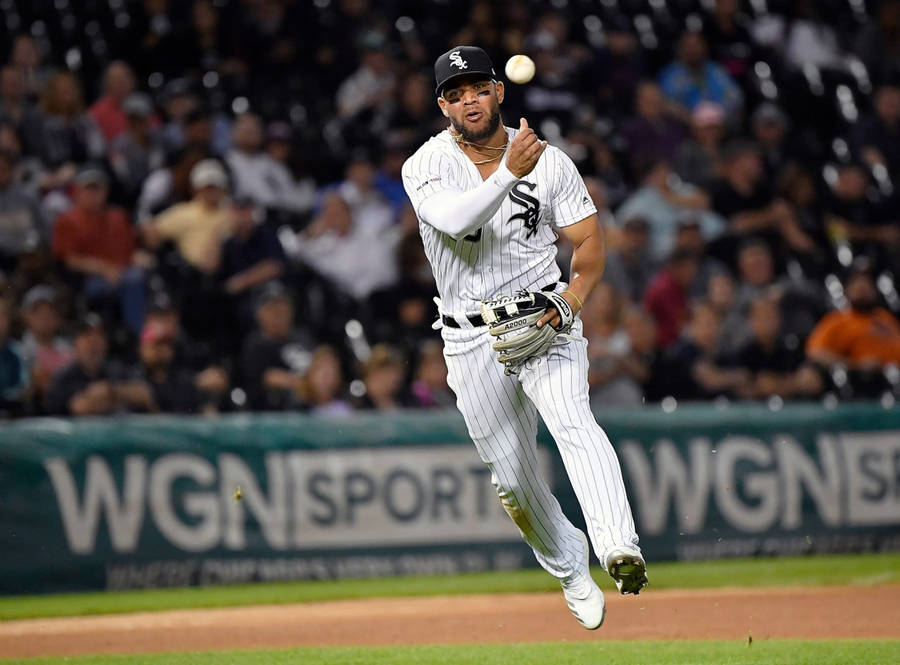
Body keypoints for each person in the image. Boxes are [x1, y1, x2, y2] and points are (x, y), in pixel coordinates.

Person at [400, 46, 646, 631]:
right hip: (469, 339)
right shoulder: (425, 165)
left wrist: (572, 300)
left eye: (478, 89)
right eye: (456, 94)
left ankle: (619, 545)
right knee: (512, 480)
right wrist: (511, 170)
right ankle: (569, 565)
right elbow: (456, 220)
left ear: (499, 92)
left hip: (543, 318)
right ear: (442, 106)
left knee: (573, 421)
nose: (469, 101)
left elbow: (589, 242)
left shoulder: (551, 162)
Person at [51, 166, 146, 333]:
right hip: (91, 279)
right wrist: (104, 269)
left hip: (123, 271)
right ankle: (137, 334)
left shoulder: (118, 216)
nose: (93, 194)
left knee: (148, 275)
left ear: (105, 191)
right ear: (77, 192)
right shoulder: (67, 220)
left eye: (97, 189)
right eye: (88, 189)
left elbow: (131, 250)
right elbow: (70, 260)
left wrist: (140, 257)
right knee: (134, 280)